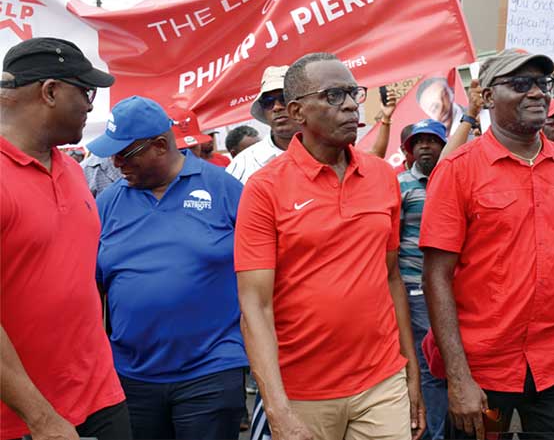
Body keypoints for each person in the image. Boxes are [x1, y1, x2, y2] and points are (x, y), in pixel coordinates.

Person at [419, 49, 554, 440]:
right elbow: (436, 277)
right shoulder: (456, 171)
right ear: (489, 97)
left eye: (542, 84)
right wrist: (459, 377)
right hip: (483, 367)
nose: (537, 94)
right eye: (520, 84)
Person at [235, 52, 424, 440]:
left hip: (381, 383)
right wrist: (277, 408)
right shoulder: (264, 189)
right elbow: (255, 305)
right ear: (297, 112)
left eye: (353, 93)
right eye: (335, 95)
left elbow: (391, 279)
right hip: (302, 393)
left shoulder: (382, 177)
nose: (353, 104)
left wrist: (411, 372)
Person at [88, 96, 248, 440]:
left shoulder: (224, 189)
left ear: (161, 145)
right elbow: (92, 290)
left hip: (211, 370)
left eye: (125, 154)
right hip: (132, 375)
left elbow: (258, 274)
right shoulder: (107, 203)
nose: (116, 163)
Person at [1, 36, 130, 440]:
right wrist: (42, 419)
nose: (92, 106)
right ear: (51, 91)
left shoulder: (72, 171)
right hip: (23, 422)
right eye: (86, 91)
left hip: (101, 399)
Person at [396, 119, 450, 440]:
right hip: (415, 287)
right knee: (430, 361)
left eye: (432, 141)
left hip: (453, 288)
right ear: (410, 150)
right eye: (419, 142)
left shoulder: (454, 181)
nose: (425, 146)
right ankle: (434, 433)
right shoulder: (401, 184)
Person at [226, 65, 297, 183]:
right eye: (268, 102)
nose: (276, 107)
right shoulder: (242, 165)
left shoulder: (331, 152)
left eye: (284, 98)